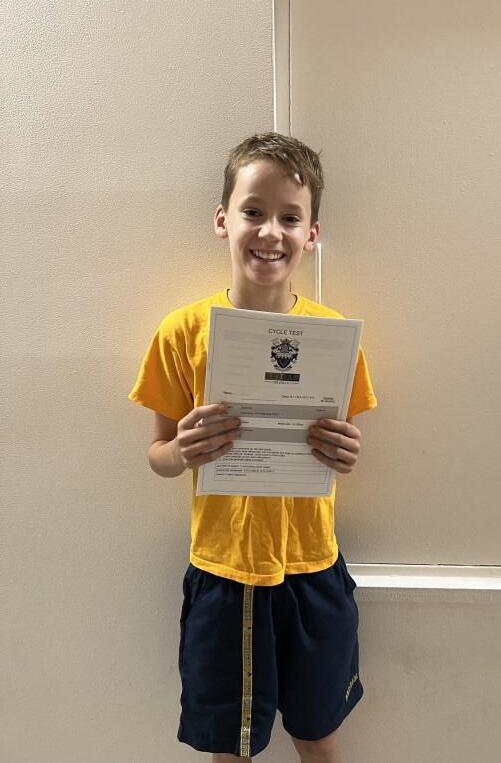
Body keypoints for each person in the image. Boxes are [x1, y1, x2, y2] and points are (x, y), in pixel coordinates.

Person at [128, 132, 378, 762]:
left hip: (312, 567)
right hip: (223, 570)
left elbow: (343, 448)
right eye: (253, 211)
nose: (271, 232)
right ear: (223, 220)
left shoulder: (333, 337)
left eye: (290, 218)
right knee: (231, 748)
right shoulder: (182, 331)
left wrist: (348, 453)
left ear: (312, 233)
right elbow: (158, 456)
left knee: (317, 734)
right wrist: (182, 450)